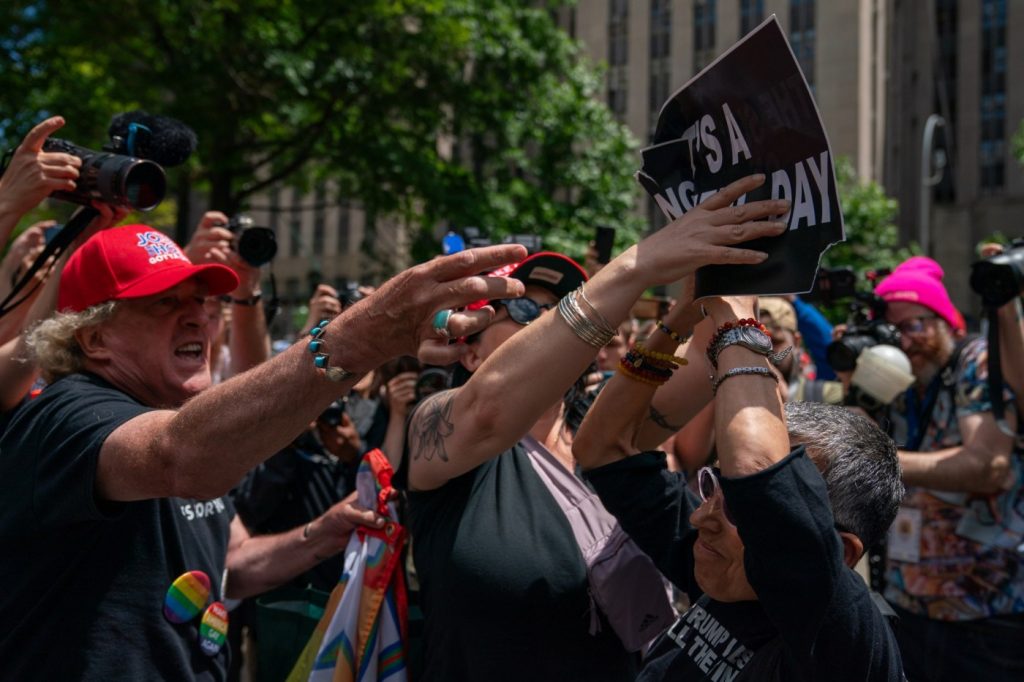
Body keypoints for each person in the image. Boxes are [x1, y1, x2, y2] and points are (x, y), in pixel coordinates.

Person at [0, 222, 527, 680]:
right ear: (93, 339)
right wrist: (366, 333)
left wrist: (323, 533)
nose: (198, 319)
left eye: (200, 303)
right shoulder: (67, 416)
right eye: (165, 303)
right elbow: (182, 457)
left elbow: (234, 562)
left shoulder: (167, 417)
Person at [401, 174, 789, 681]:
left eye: (561, 305)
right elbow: (488, 409)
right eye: (525, 309)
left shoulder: (599, 428)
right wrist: (641, 260)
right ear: (470, 349)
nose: (549, 320)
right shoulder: (440, 426)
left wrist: (718, 284)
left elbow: (699, 369)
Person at [574, 292, 907, 680]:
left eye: (744, 507)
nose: (701, 516)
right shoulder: (727, 568)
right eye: (713, 484)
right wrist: (678, 322)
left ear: (843, 555)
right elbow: (602, 448)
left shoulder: (842, 644)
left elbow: (757, 471)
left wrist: (738, 318)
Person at [873, 255, 1024, 680]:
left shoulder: (974, 362)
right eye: (894, 329)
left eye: (915, 324)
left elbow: (987, 467)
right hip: (909, 600)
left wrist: (877, 460)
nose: (905, 341)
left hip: (984, 610)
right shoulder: (901, 381)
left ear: (945, 321)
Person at [759, 296, 843, 404]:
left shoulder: (825, 395)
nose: (766, 353)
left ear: (796, 341)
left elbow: (828, 351)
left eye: (775, 342)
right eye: (756, 345)